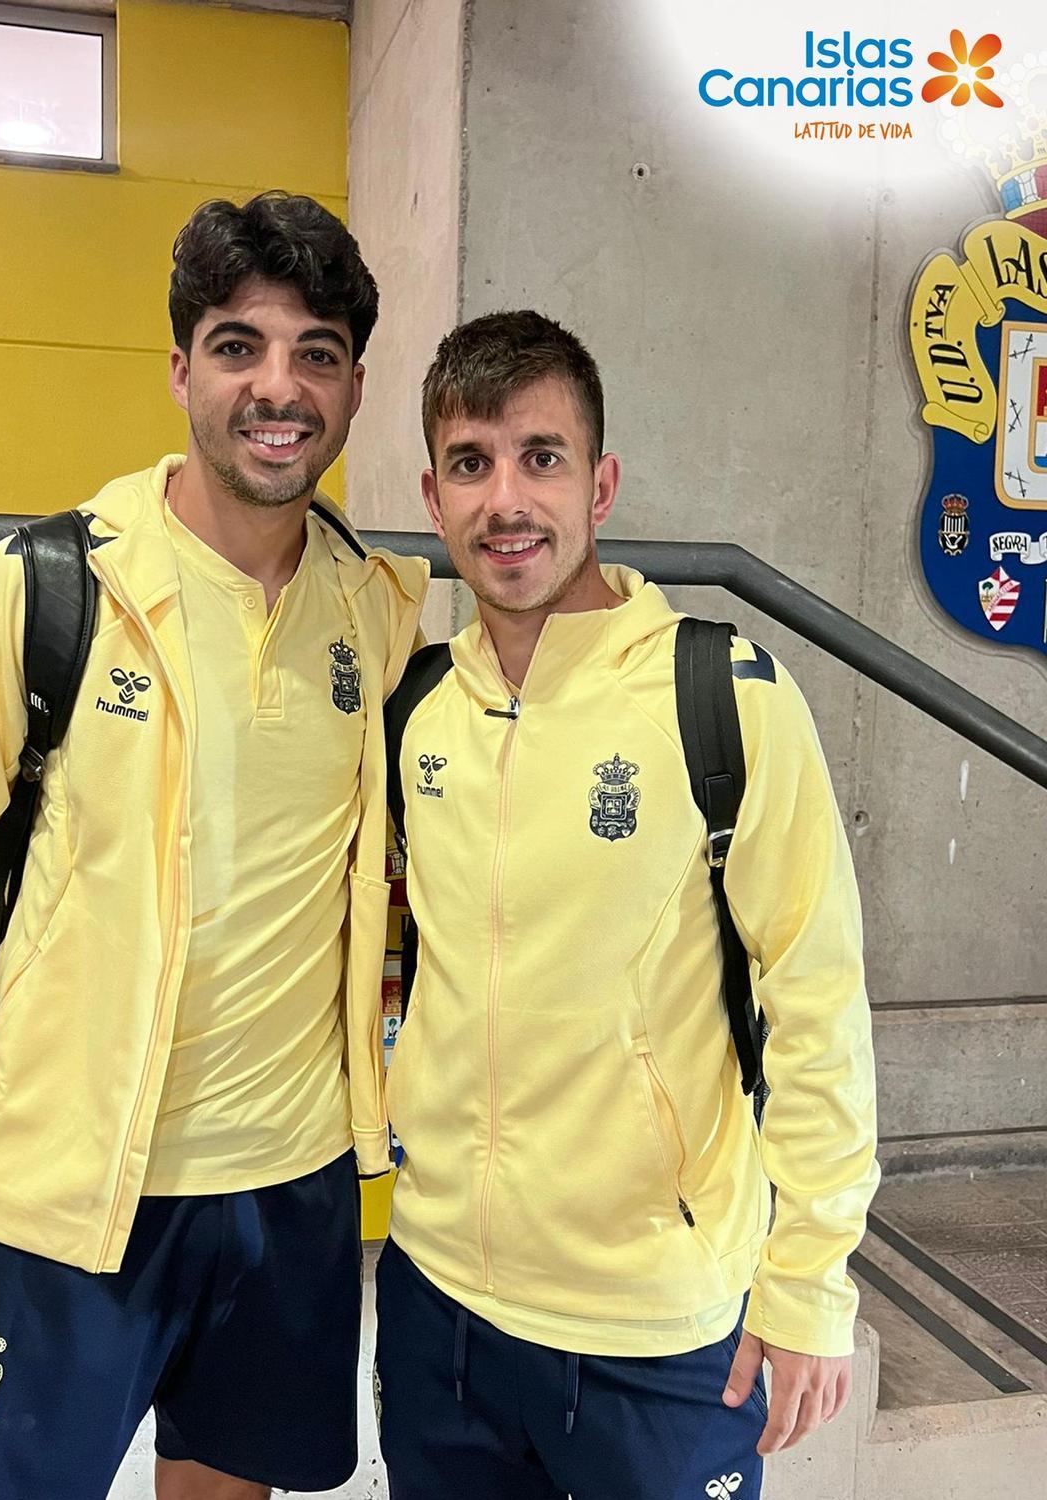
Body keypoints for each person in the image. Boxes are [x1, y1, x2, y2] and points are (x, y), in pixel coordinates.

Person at [0, 192, 426, 1500]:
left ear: (351, 389)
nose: (277, 387)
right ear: (180, 370)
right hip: (63, 1197)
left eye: (315, 353)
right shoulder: (48, 587)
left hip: (289, 1196)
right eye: (239, 346)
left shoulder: (375, 610)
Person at [374, 310, 879, 1500]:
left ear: (600, 484)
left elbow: (817, 999)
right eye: (471, 462)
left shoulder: (722, 695)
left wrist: (809, 1278)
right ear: (434, 496)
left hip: (658, 1328)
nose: (507, 499)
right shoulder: (418, 713)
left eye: (541, 457)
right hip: (439, 1297)